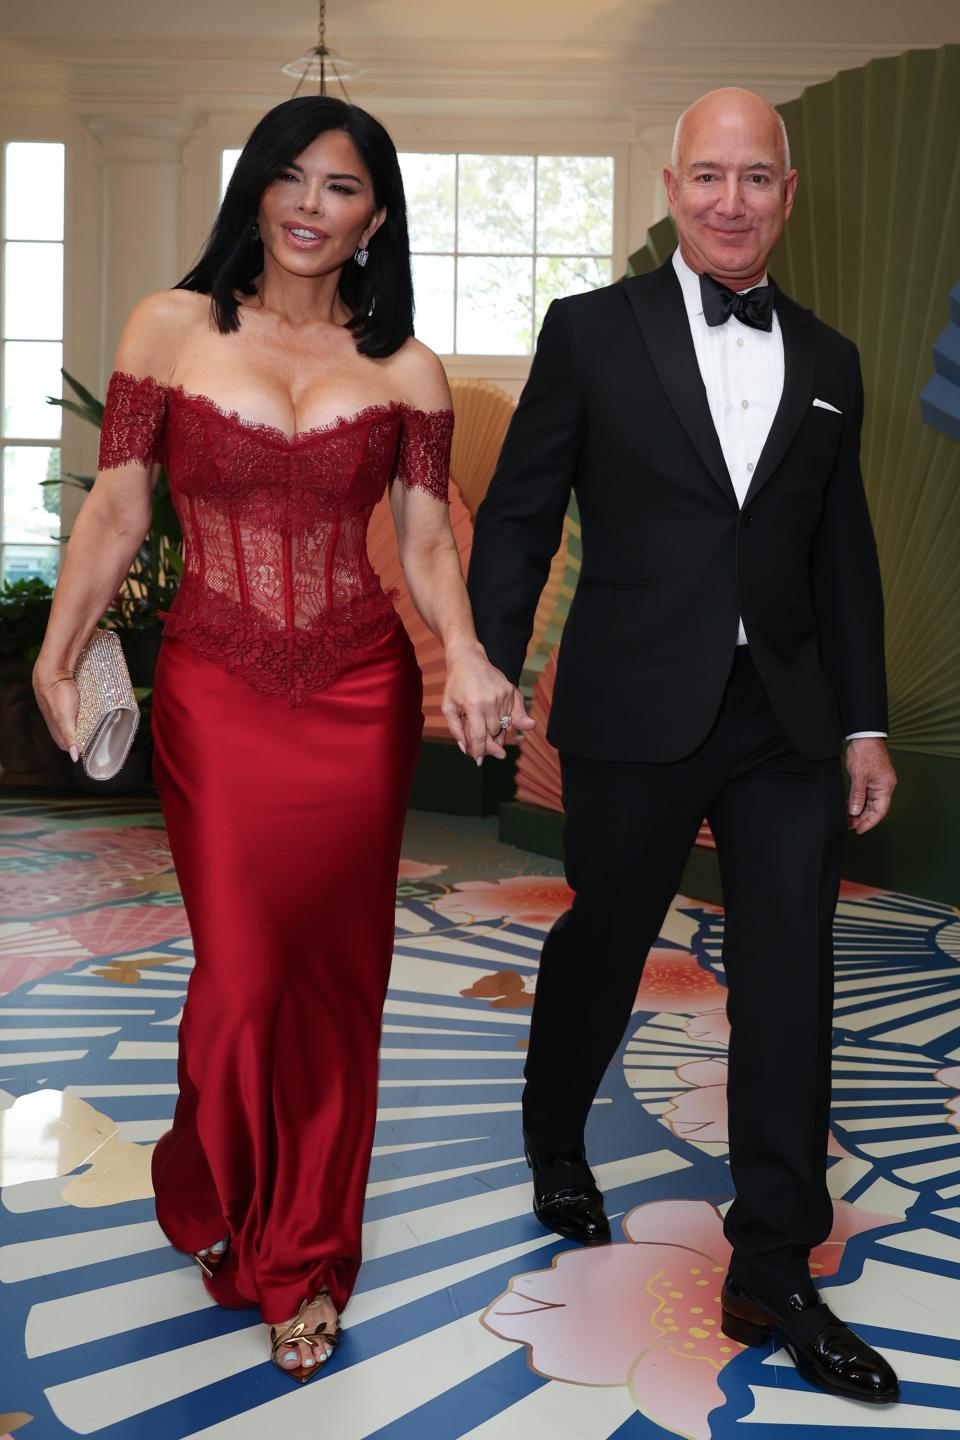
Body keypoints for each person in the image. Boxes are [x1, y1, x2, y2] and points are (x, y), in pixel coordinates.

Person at [33, 95, 529, 1383]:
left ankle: (308, 1260)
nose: (313, 206)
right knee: (244, 978)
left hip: (358, 695)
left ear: (377, 213)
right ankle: (208, 1178)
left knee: (335, 984)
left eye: (344, 187)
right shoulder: (170, 327)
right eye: (291, 178)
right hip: (218, 686)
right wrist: (56, 643)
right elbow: (118, 510)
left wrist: (465, 654)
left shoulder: (405, 367)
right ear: (255, 189)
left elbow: (424, 542)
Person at [467, 88, 900, 1405]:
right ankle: (556, 1135)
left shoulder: (829, 360)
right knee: (606, 938)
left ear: (788, 191)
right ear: (670, 185)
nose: (730, 199)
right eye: (707, 175)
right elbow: (522, 512)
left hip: (785, 723)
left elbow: (844, 559)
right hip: (631, 709)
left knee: (790, 976)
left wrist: (864, 720)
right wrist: (484, 655)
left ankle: (772, 1262)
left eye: (755, 178)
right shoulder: (591, 333)